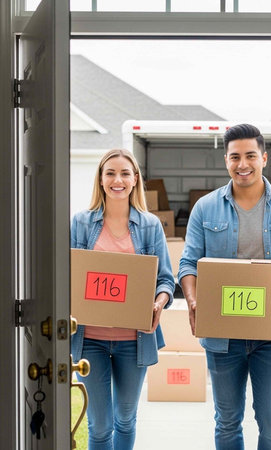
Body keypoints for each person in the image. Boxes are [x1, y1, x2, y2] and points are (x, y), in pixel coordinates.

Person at [178, 124, 271, 450]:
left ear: (263, 158)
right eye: (235, 157)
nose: (243, 163)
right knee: (227, 422)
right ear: (226, 161)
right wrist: (193, 301)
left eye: (250, 155)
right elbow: (188, 264)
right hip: (223, 338)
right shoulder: (205, 208)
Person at [71, 149, 175, 450]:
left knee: (126, 417)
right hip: (90, 338)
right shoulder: (80, 223)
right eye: (111, 173)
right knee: (100, 425)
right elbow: (68, 274)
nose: (118, 180)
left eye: (125, 173)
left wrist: (159, 301)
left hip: (134, 339)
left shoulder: (150, 226)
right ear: (101, 180)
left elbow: (165, 279)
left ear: (135, 180)